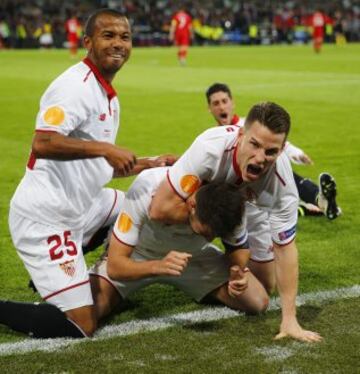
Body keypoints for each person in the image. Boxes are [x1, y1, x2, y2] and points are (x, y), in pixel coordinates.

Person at [0, 9, 171, 340]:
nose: (118, 44)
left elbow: (99, 163)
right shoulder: (74, 87)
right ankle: (51, 277)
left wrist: (150, 163)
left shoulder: (105, 92)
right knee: (82, 323)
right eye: (108, 36)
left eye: (125, 37)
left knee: (150, 209)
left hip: (85, 203)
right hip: (47, 216)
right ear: (88, 41)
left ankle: (72, 272)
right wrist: (107, 149)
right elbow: (44, 142)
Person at [149, 102, 322, 342]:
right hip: (203, 205)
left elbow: (286, 248)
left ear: (282, 151)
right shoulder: (209, 150)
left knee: (261, 293)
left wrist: (289, 319)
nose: (260, 158)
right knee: (169, 220)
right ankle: (182, 262)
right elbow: (160, 209)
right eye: (254, 144)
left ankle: (216, 268)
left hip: (253, 211)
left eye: (271, 151)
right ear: (241, 134)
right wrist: (218, 219)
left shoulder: (282, 186)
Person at [89, 168, 269, 323]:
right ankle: (118, 295)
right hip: (137, 253)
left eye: (215, 236)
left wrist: (237, 271)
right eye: (203, 232)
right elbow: (115, 266)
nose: (209, 238)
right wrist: (158, 266)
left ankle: (210, 289)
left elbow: (237, 247)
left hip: (191, 257)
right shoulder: (148, 187)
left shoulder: (231, 205)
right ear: (192, 204)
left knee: (256, 301)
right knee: (89, 311)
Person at [205, 83, 341, 220]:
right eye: (216, 103)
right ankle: (305, 207)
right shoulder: (215, 137)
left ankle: (320, 200)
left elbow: (278, 142)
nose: (221, 107)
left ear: (232, 103)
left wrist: (296, 153)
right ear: (209, 109)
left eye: (224, 101)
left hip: (260, 174)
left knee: (285, 175)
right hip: (241, 190)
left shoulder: (249, 124)